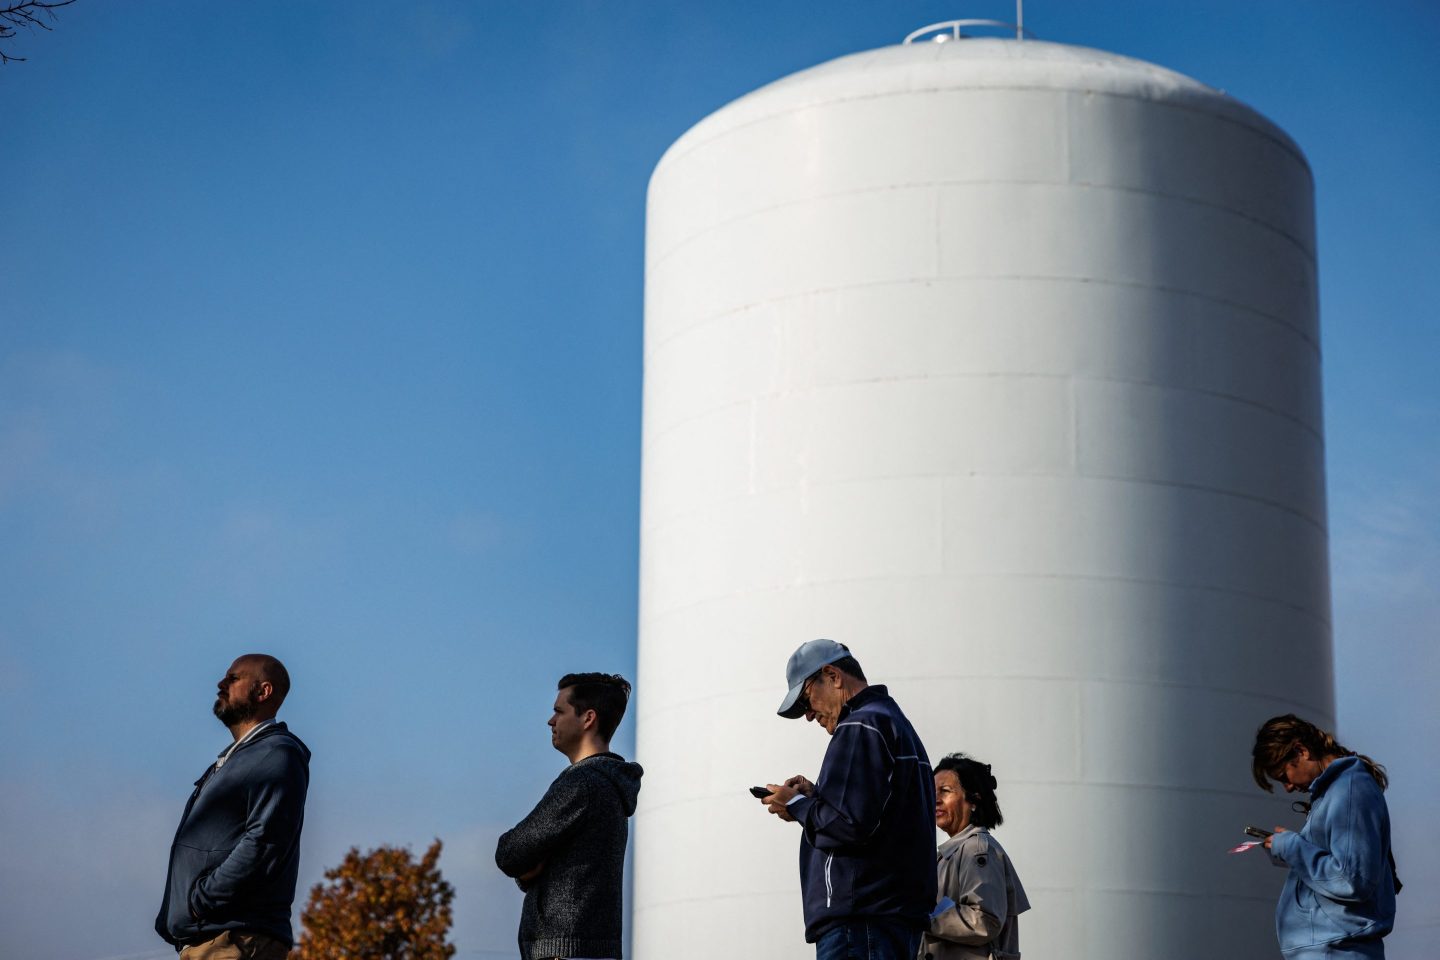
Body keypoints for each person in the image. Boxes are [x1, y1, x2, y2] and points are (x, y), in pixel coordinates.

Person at [758, 639, 936, 960]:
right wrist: (817, 796)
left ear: (833, 676)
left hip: (861, 924)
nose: (808, 716)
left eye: (806, 699)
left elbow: (849, 825)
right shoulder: (893, 724)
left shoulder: (860, 724)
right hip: (889, 921)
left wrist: (797, 805)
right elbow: (877, 816)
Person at [155, 654, 311, 959]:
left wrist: (200, 901)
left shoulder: (277, 754)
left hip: (235, 941)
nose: (220, 683)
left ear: (263, 691)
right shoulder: (233, 761)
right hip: (209, 940)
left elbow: (265, 842)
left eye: (234, 678)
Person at [496, 672, 643, 960]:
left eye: (559, 711)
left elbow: (509, 852)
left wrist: (528, 866)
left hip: (563, 952)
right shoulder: (610, 784)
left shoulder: (582, 784)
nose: (551, 721)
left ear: (588, 718)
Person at [1251, 714, 1399, 960]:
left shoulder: (1349, 790)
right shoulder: (1335, 792)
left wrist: (1291, 846)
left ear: (1301, 751)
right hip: (1330, 947)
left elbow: (1353, 879)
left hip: (1337, 950)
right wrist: (1288, 849)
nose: (1287, 787)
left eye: (1283, 775)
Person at [920, 754, 1030, 960]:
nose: (935, 799)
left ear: (974, 800)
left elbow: (985, 921)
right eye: (932, 791)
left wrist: (922, 916)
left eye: (945, 791)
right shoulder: (953, 852)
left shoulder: (976, 850)